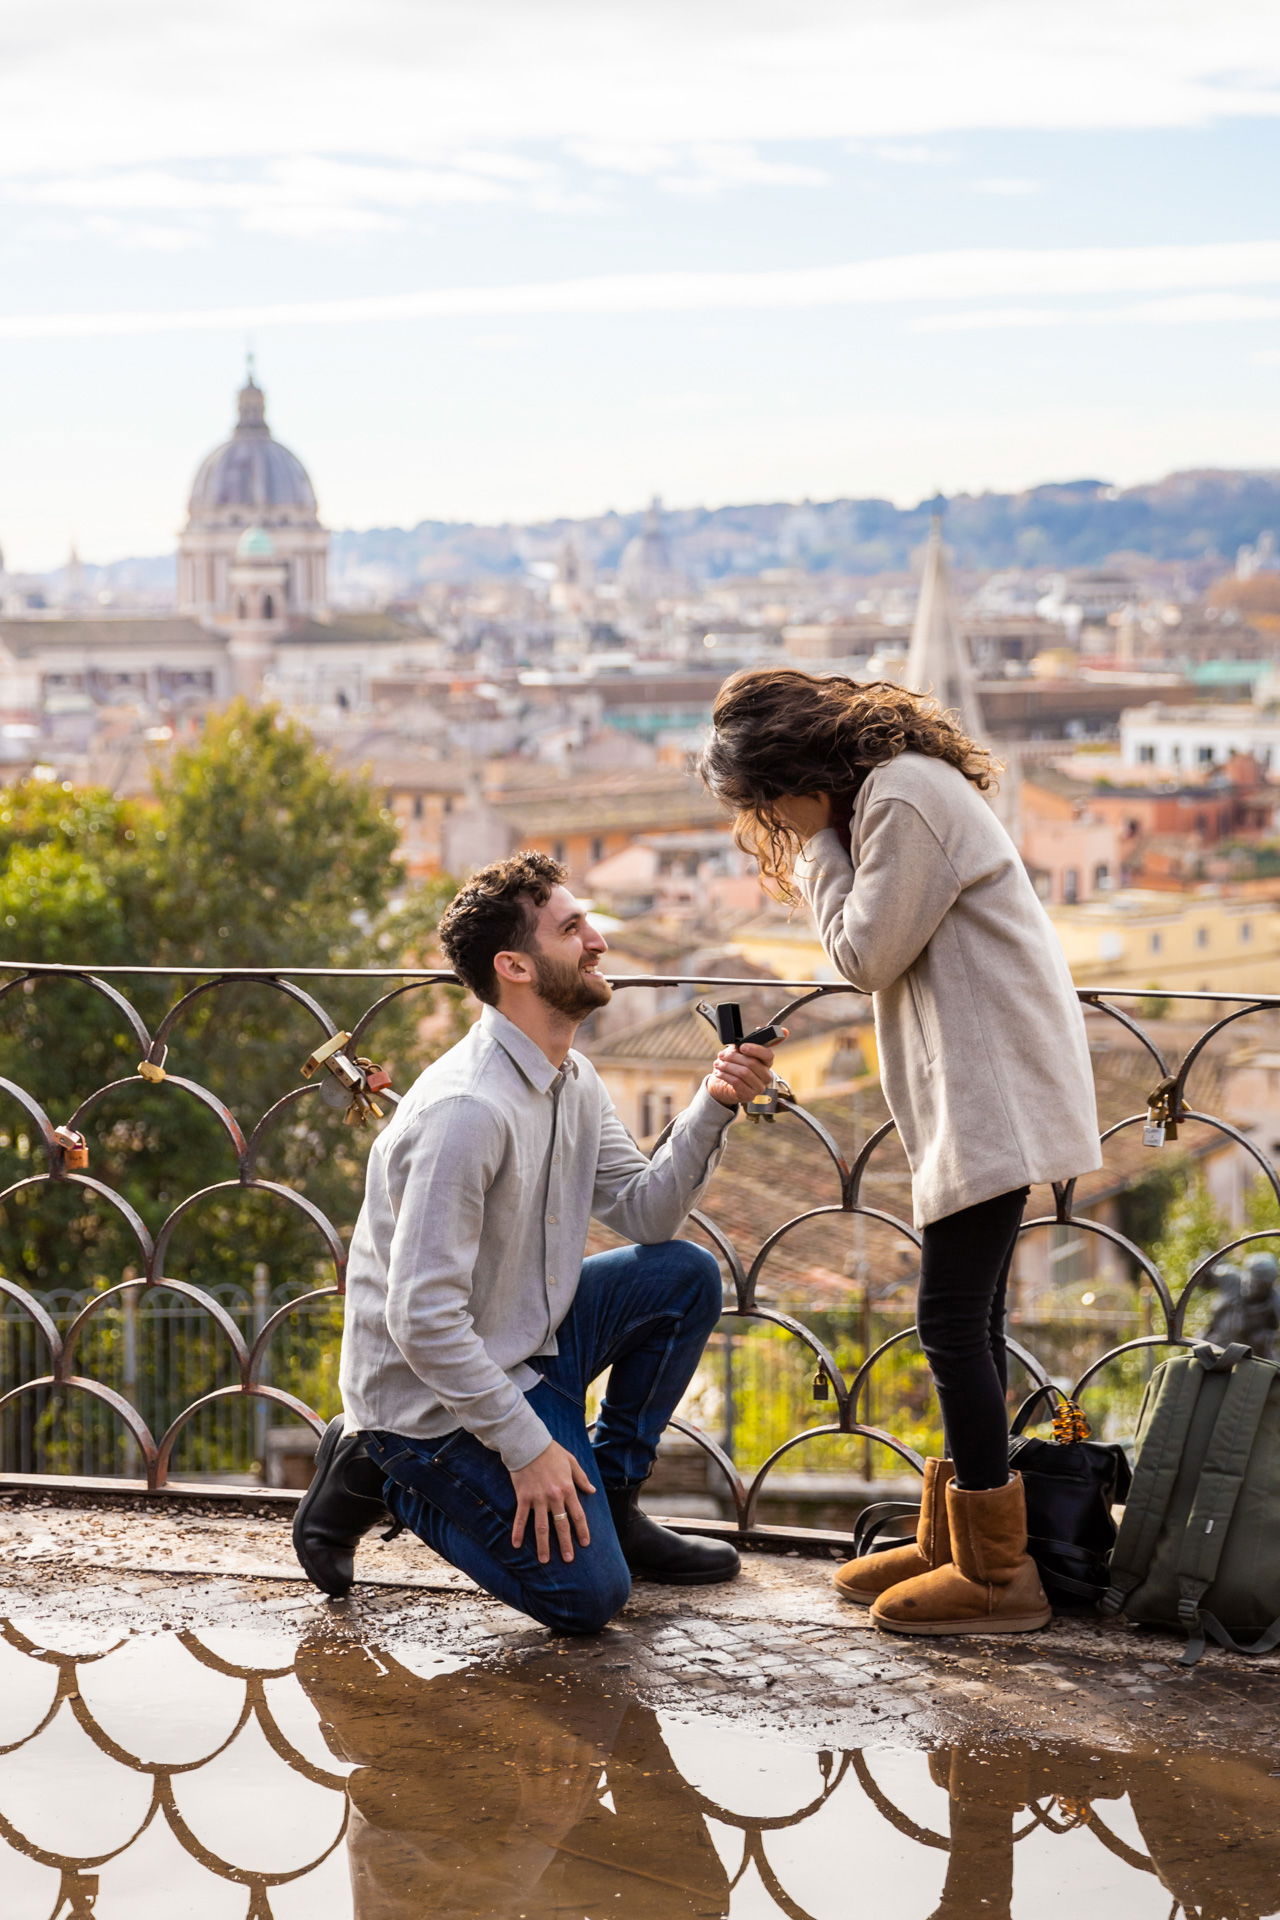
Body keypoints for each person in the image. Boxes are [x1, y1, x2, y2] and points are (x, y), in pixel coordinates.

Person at [697, 667, 1102, 1637]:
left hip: (992, 1091)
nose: (775, 825)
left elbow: (862, 954)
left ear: (798, 774)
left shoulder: (899, 798)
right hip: (982, 1087)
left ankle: (999, 1579)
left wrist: (821, 847)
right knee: (973, 1318)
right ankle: (955, 1535)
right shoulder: (895, 791)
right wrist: (829, 834)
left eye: (768, 805)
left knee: (949, 1324)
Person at [293, 850, 778, 1633]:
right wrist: (527, 1449)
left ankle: (611, 1504)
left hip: (531, 1346)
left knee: (682, 1274)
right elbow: (423, 1323)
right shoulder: (465, 1113)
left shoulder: (572, 1079)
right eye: (573, 928)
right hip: (430, 1404)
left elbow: (648, 1215)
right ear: (515, 966)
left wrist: (715, 1103)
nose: (598, 941)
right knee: (586, 1599)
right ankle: (381, 1471)